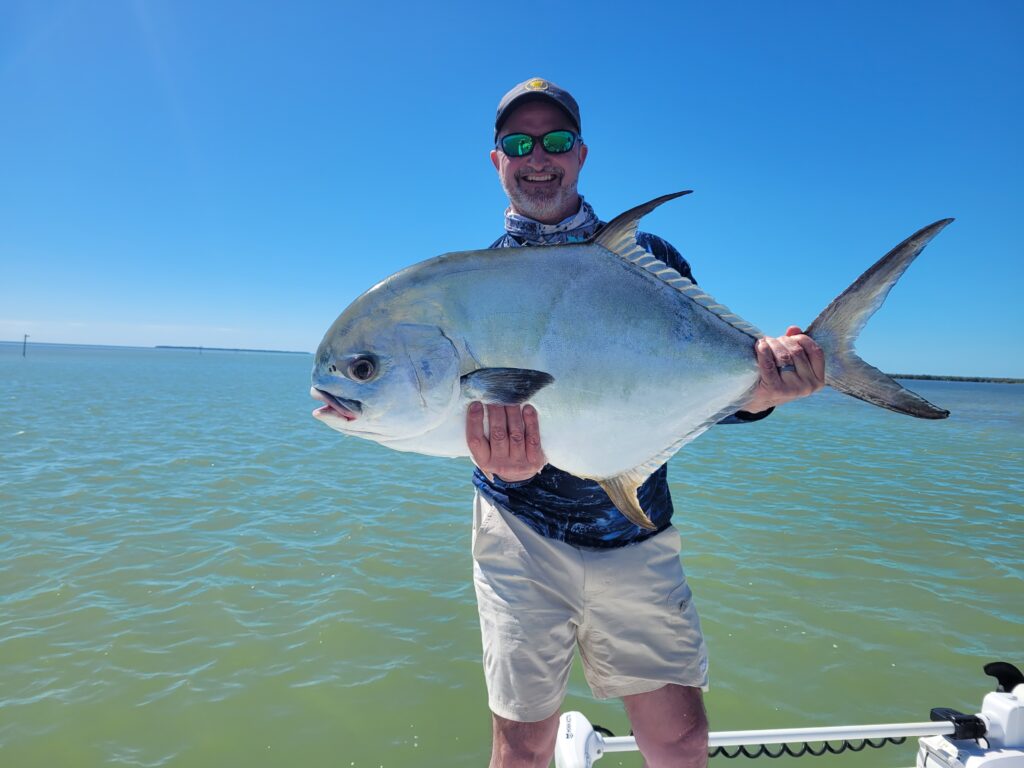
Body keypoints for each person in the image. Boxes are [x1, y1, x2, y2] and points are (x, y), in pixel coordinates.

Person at [465, 77, 825, 768]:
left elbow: (708, 395)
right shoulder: (480, 285)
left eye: (556, 140)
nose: (538, 156)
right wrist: (492, 461)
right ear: (496, 161)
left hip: (635, 526)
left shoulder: (650, 258)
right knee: (520, 747)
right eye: (518, 143)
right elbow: (465, 414)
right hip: (518, 534)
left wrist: (769, 388)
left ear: (581, 153)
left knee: (683, 739)